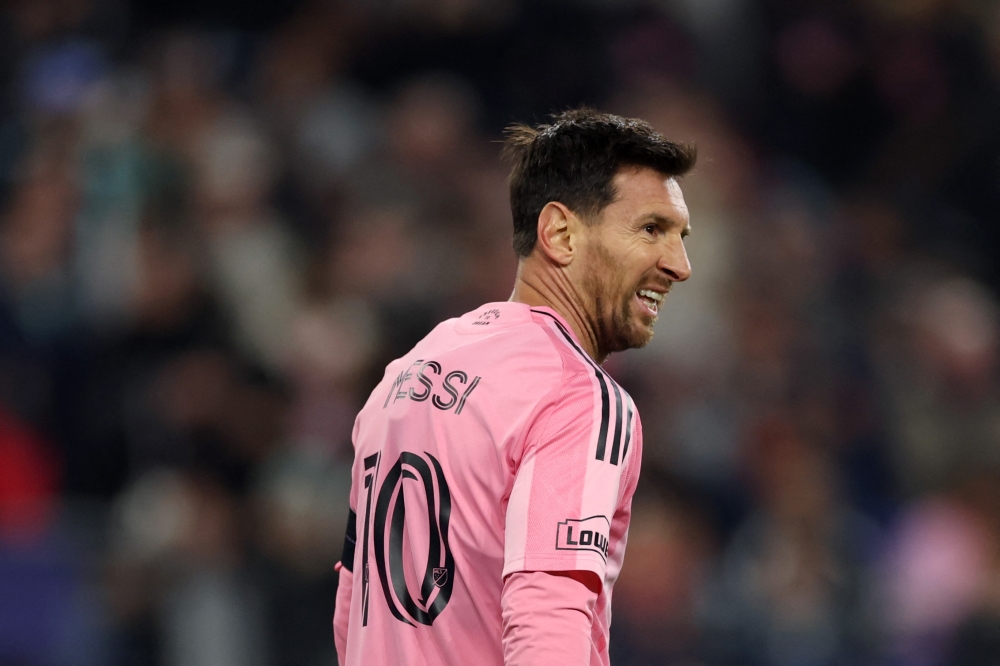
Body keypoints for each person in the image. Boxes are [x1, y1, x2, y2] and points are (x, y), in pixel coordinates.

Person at [333, 108, 695, 665]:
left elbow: (352, 611)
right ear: (559, 232)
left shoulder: (406, 372)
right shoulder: (578, 395)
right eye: (652, 229)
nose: (680, 264)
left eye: (680, 236)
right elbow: (547, 615)